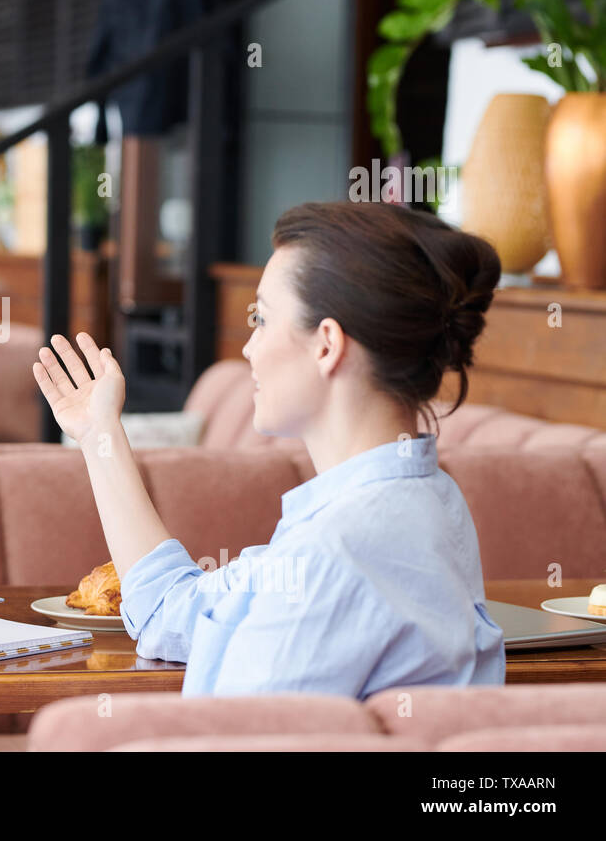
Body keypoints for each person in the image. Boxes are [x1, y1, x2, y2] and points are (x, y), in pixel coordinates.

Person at [33, 200, 506, 698]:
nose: (247, 348)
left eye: (260, 318)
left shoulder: (333, 550)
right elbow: (172, 611)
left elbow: (240, 736)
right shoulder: (424, 502)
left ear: (326, 345)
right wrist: (98, 432)